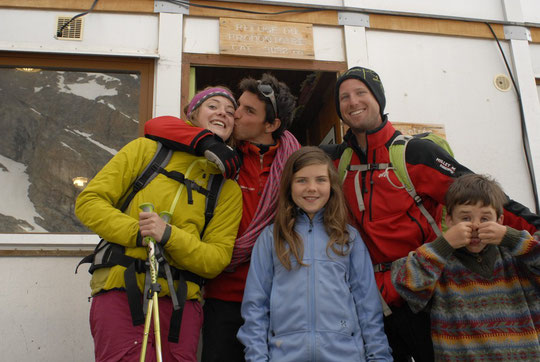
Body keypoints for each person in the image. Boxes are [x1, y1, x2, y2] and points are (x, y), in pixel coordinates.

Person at [323, 66, 540, 362]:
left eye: (361, 93)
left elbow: (479, 197)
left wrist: (532, 228)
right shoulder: (335, 161)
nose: (352, 102)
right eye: (344, 96)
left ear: (378, 99)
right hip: (371, 297)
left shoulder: (416, 153)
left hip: (425, 291)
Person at [75, 86, 243, 362]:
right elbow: (90, 202)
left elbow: (216, 259)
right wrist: (138, 233)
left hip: (181, 305)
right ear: (192, 114)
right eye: (213, 106)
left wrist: (168, 236)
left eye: (229, 113)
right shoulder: (146, 150)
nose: (222, 114)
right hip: (122, 291)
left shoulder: (228, 189)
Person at [144, 73, 301, 361]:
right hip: (223, 296)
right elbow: (155, 125)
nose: (235, 115)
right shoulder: (220, 155)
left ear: (272, 124)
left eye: (248, 111)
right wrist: (206, 142)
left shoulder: (295, 164)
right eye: (238, 106)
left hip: (281, 299)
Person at [237, 147, 393, 361]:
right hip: (285, 355)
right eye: (301, 180)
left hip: (345, 355)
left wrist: (380, 357)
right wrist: (257, 358)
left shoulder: (349, 238)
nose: (312, 188)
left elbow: (368, 305)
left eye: (321, 180)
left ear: (332, 185)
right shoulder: (271, 237)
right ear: (289, 186)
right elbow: (255, 306)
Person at [391, 173, 540, 360]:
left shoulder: (518, 257)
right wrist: (444, 244)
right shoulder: (438, 262)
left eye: (485, 219)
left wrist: (511, 237)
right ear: (450, 221)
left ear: (500, 221)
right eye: (466, 218)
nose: (476, 225)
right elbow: (407, 286)